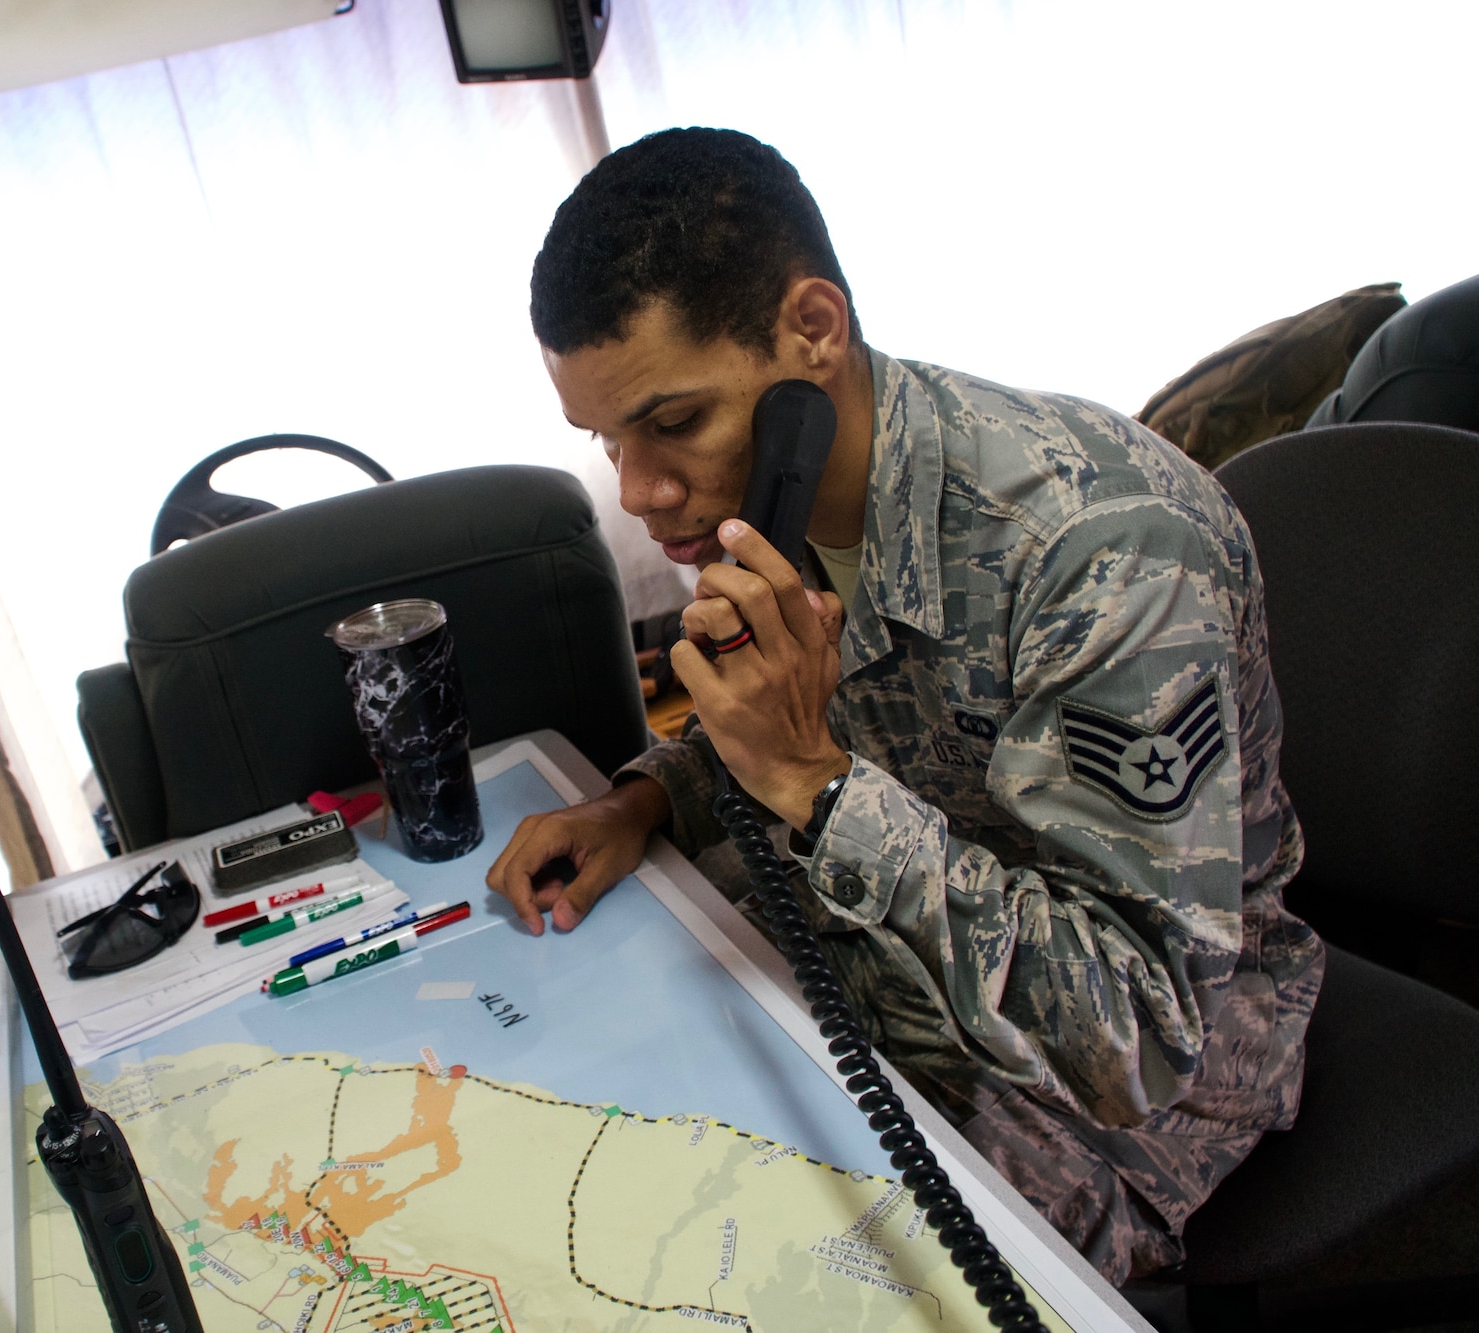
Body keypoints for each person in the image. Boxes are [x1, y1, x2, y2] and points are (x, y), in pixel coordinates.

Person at [484, 127, 1324, 1288]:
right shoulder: (775, 503)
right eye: (607, 440)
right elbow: (807, 719)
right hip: (892, 961)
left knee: (767, 1289)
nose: (636, 492)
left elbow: (1136, 1036)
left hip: (1125, 1065)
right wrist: (644, 803)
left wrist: (816, 790)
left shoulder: (1101, 548)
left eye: (673, 423)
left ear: (811, 333)